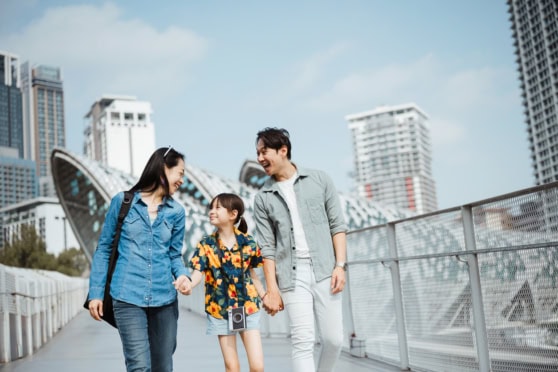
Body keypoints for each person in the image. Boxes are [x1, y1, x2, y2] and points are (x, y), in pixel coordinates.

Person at [87, 145, 191, 372]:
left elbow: (175, 255)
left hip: (164, 298)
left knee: (163, 366)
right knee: (139, 366)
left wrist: (183, 276)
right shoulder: (123, 202)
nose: (182, 180)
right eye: (180, 173)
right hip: (127, 296)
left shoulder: (177, 212)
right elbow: (104, 249)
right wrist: (95, 293)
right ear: (164, 168)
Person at [253, 127, 348, 372]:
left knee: (334, 340)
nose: (260, 158)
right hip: (291, 276)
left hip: (326, 270)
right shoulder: (263, 197)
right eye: (257, 153)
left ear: (283, 150)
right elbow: (267, 247)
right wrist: (271, 289)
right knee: (302, 340)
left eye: (264, 152)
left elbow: (337, 225)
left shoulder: (320, 180)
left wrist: (340, 266)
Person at [185, 193, 265, 372]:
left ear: (233, 214)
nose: (211, 212)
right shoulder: (206, 244)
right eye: (211, 208)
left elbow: (253, 274)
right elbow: (198, 272)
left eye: (217, 208)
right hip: (220, 309)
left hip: (248, 306)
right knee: (232, 366)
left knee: (258, 366)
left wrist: (265, 296)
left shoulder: (248, 242)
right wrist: (189, 284)